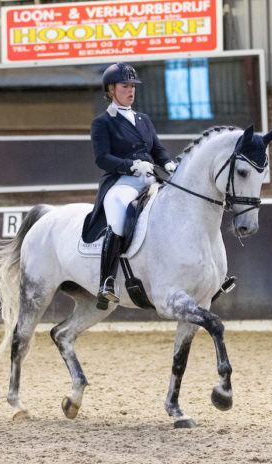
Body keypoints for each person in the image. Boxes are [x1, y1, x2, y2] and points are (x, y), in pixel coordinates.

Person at [81, 62, 177, 309]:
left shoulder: (143, 119)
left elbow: (157, 148)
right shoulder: (103, 122)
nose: (131, 90)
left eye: (133, 86)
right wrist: (131, 165)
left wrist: (167, 163)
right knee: (117, 213)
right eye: (125, 86)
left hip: (150, 179)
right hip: (122, 182)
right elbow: (102, 158)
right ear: (111, 89)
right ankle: (107, 282)